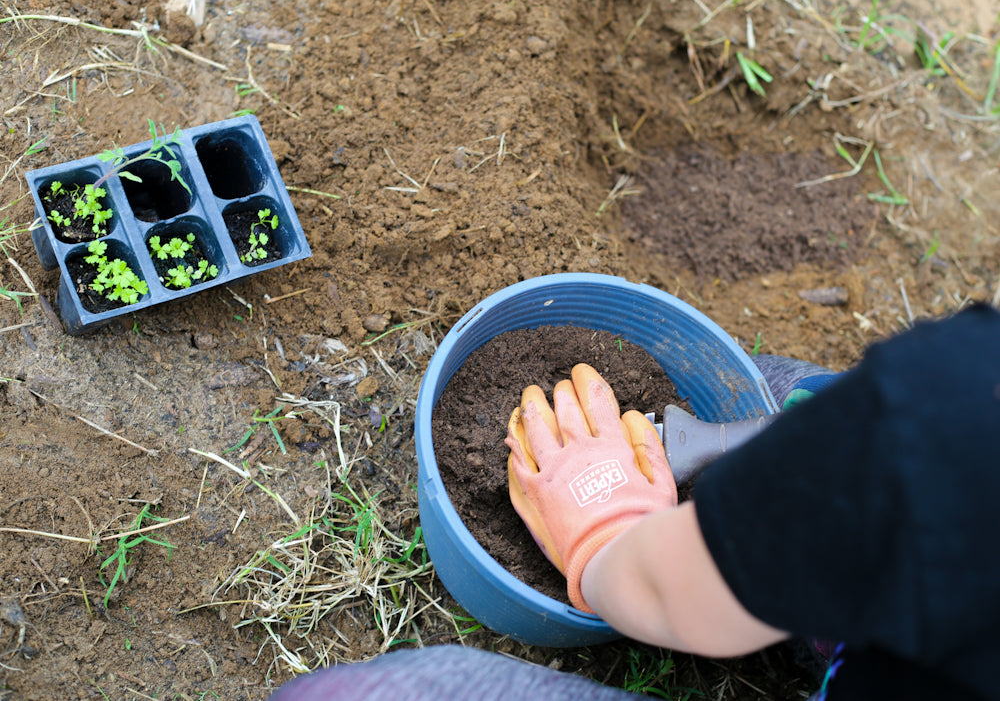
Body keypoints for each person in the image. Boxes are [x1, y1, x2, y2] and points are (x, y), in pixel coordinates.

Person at [270, 302, 1000, 701]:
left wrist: (605, 532)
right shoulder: (947, 425)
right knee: (783, 396)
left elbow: (669, 594)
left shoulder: (944, 422)